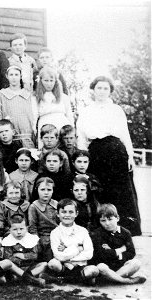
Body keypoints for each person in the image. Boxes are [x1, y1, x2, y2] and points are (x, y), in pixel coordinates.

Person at [76, 76, 141, 236]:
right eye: (99, 88)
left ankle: (126, 228)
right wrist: (83, 157)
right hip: (96, 152)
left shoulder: (116, 110)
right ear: (93, 89)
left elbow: (125, 134)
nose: (102, 91)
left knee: (120, 190)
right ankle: (101, 227)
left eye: (106, 88)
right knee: (100, 189)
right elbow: (81, 136)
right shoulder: (87, 111)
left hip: (116, 151)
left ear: (110, 91)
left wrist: (130, 156)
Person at [91, 204, 147, 284]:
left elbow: (131, 253)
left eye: (110, 219)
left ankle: (108, 279)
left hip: (121, 267)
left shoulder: (125, 233)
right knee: (101, 267)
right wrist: (120, 250)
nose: (107, 223)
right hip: (106, 267)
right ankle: (126, 281)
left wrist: (112, 252)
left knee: (136, 263)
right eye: (103, 221)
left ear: (117, 218)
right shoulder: (97, 233)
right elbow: (101, 255)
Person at [47, 199, 99, 285]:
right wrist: (77, 249)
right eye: (64, 212)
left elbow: (89, 253)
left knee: (94, 270)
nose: (67, 215)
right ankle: (78, 278)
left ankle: (64, 279)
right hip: (63, 266)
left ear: (76, 213)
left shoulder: (83, 231)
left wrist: (70, 257)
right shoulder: (55, 232)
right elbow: (58, 255)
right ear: (57, 214)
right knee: (53, 263)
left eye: (71, 212)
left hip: (80, 265)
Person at [0, 214, 47, 287]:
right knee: (9, 268)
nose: (18, 232)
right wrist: (20, 261)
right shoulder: (8, 241)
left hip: (29, 267)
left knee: (44, 264)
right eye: (15, 229)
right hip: (16, 269)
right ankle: (30, 279)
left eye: (21, 229)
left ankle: (23, 278)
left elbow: (34, 255)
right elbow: (8, 257)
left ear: (26, 228)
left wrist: (22, 255)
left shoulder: (31, 239)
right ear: (10, 230)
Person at [0, 66, 38, 148]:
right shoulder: (2, 94)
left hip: (26, 135)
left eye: (16, 75)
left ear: (20, 76)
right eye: (11, 75)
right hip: (9, 138)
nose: (14, 77)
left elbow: (34, 114)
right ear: (7, 76)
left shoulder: (28, 94)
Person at [35, 67, 74, 149]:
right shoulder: (36, 97)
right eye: (46, 81)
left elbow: (69, 115)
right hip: (45, 126)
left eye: (51, 81)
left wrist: (71, 130)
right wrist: (34, 130)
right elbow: (34, 116)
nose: (49, 84)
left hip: (62, 125)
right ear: (41, 81)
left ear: (55, 81)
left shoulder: (63, 97)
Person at [28, 177, 58, 262]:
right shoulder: (34, 206)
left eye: (49, 190)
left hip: (57, 235)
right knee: (47, 246)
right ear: (37, 190)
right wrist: (37, 241)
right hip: (43, 236)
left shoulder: (56, 204)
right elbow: (32, 227)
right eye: (42, 190)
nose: (46, 193)